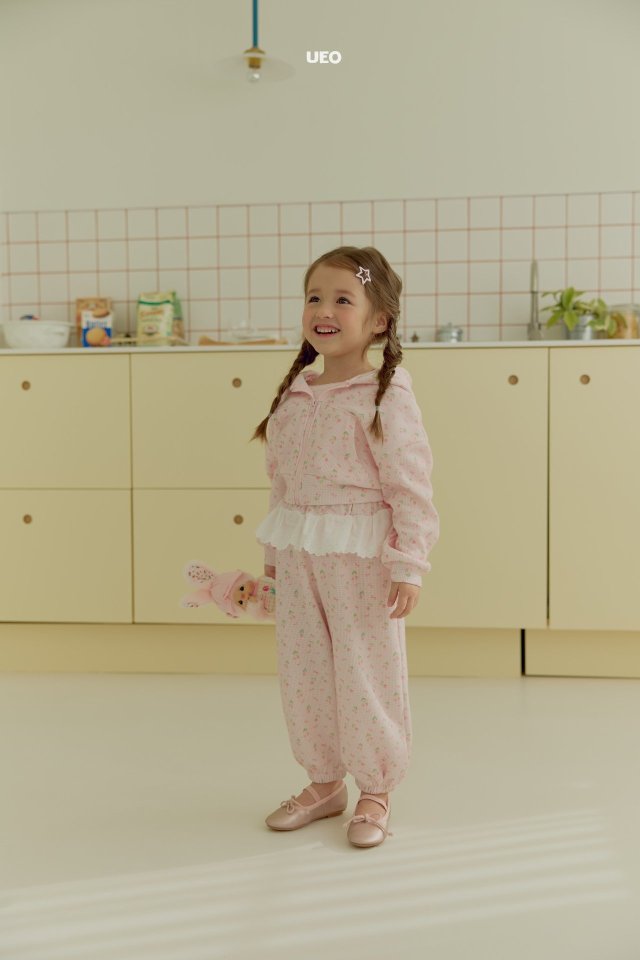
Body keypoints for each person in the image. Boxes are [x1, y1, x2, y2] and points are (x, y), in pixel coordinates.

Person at [250, 246, 440, 848]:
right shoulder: (297, 393)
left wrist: (409, 564)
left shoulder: (384, 395)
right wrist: (273, 564)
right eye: (314, 298)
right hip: (300, 553)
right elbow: (281, 483)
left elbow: (410, 485)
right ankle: (325, 782)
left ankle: (376, 788)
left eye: (342, 299)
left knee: (365, 671)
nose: (323, 311)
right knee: (304, 671)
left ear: (379, 319)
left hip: (360, 558)